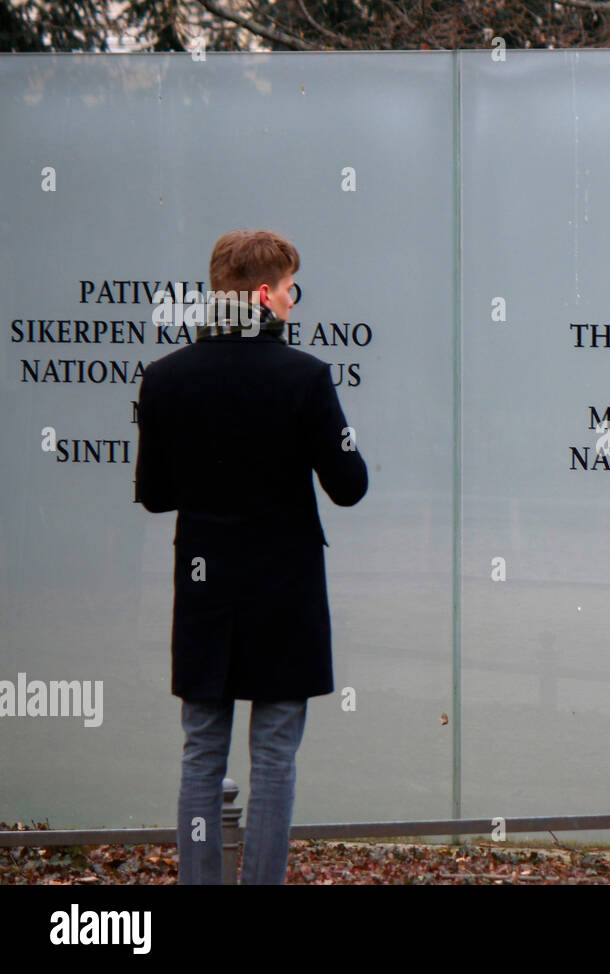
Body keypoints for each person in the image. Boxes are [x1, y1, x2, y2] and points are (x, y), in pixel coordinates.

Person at [134, 229, 368, 884]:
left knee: (201, 756)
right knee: (273, 761)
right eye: (291, 288)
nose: (295, 301)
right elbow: (349, 487)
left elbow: (154, 496)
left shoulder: (164, 379)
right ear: (264, 294)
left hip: (206, 588)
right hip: (285, 591)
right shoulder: (307, 378)